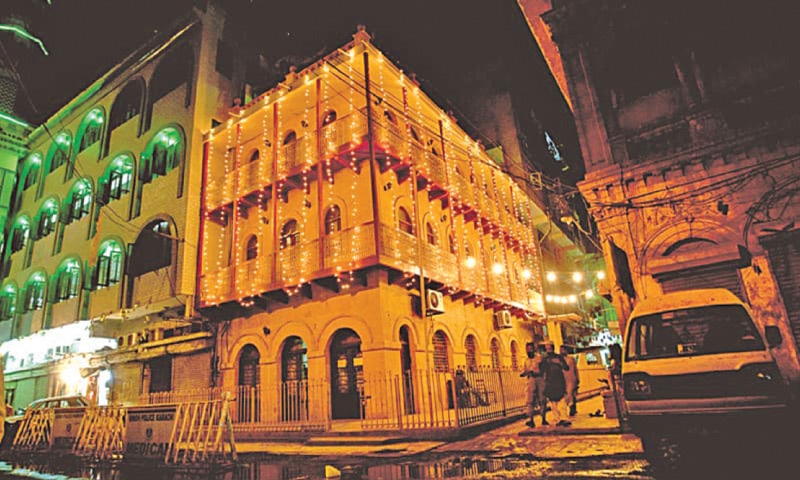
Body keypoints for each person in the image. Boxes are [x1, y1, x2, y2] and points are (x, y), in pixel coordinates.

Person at [540, 341, 571, 427]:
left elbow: (566, 367)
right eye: (547, 348)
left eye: (550, 348)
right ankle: (557, 419)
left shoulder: (559, 357)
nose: (548, 350)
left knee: (562, 401)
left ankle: (564, 418)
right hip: (550, 382)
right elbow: (541, 370)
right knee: (553, 403)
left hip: (559, 381)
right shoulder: (545, 359)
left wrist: (558, 363)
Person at [521, 342, 545, 427]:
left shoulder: (539, 358)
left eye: (530, 349)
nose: (529, 351)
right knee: (530, 401)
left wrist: (534, 371)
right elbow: (524, 370)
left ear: (533, 349)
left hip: (539, 379)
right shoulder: (526, 360)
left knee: (542, 400)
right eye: (527, 349)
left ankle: (543, 419)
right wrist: (524, 373)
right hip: (531, 380)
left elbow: (542, 370)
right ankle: (531, 420)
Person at [561, 345, 579, 416]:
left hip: (571, 378)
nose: (561, 351)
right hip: (563, 379)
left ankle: (572, 408)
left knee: (571, 393)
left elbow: (575, 369)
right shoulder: (560, 360)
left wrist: (577, 378)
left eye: (563, 350)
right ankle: (571, 407)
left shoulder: (571, 359)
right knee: (568, 395)